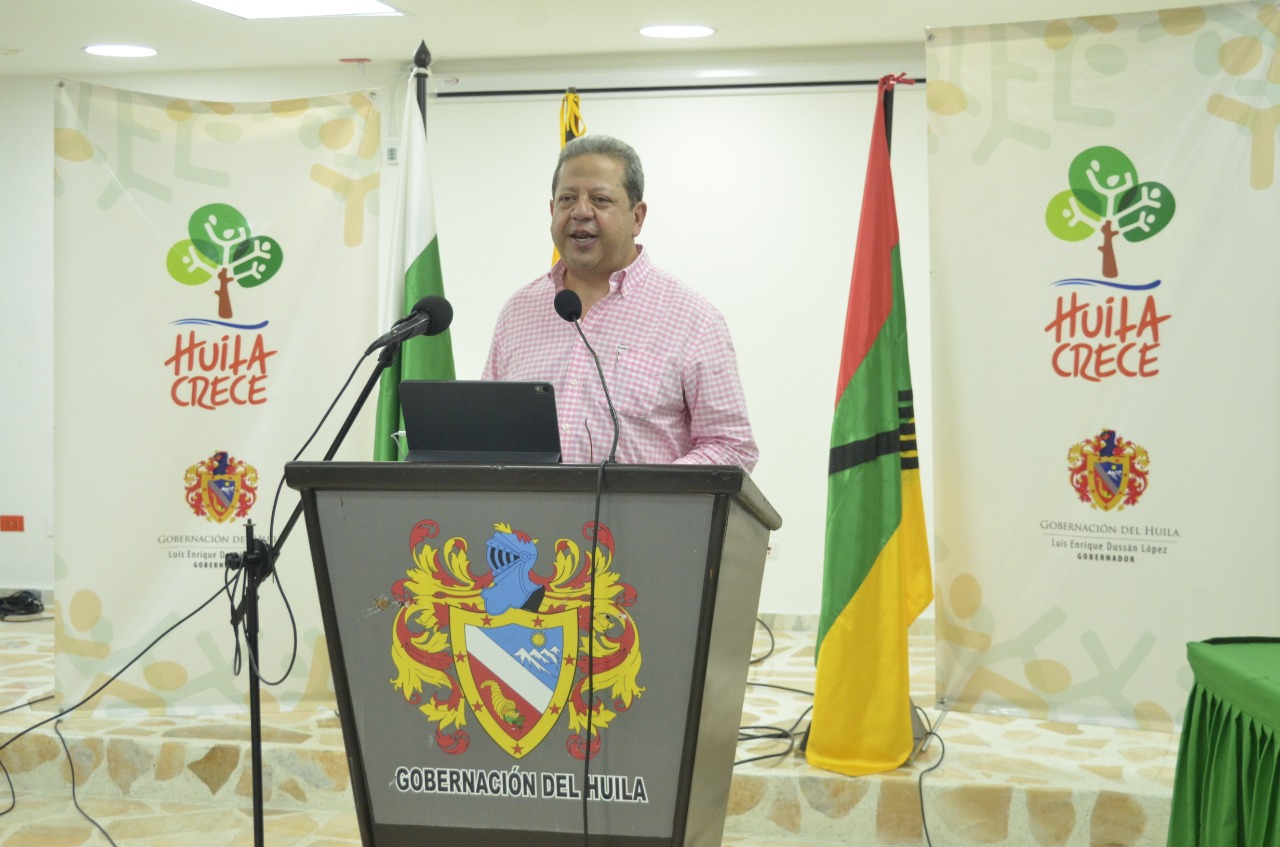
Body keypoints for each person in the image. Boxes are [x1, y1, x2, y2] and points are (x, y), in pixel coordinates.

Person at [482, 135, 757, 471]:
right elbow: (488, 431)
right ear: (552, 211)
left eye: (600, 200)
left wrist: (653, 488)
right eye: (567, 199)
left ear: (637, 217)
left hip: (644, 506)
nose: (580, 212)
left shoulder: (694, 319)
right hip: (528, 507)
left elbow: (731, 447)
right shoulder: (519, 311)